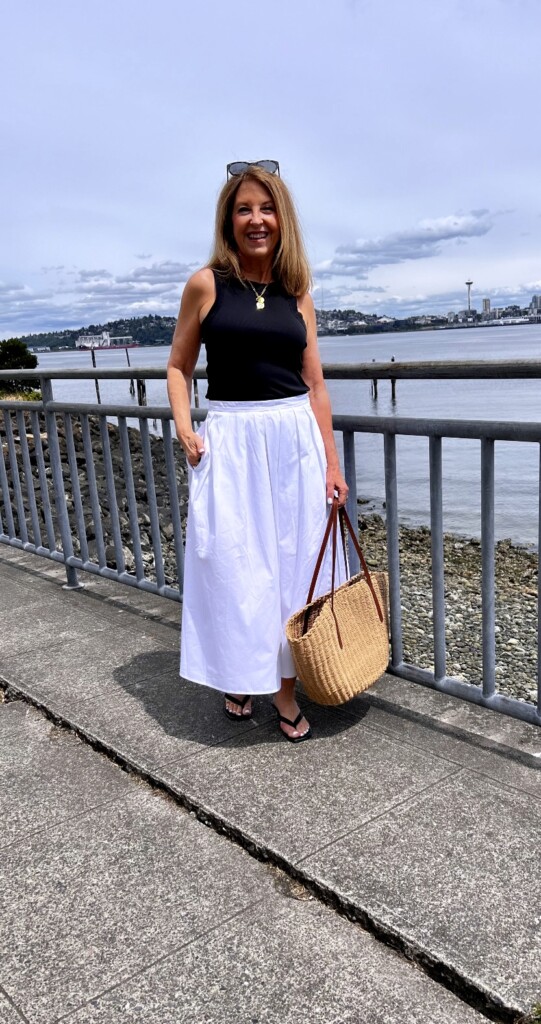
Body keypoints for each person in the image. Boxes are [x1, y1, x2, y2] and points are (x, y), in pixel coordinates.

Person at [167, 160, 348, 742]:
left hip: (295, 438)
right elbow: (177, 366)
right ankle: (241, 672)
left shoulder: (298, 292)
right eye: (243, 209)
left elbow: (315, 382)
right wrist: (184, 426)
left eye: (266, 208)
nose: (256, 219)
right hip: (232, 438)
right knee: (236, 567)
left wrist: (333, 460)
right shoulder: (206, 284)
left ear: (282, 218)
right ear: (229, 220)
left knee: (293, 565)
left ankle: (284, 688)